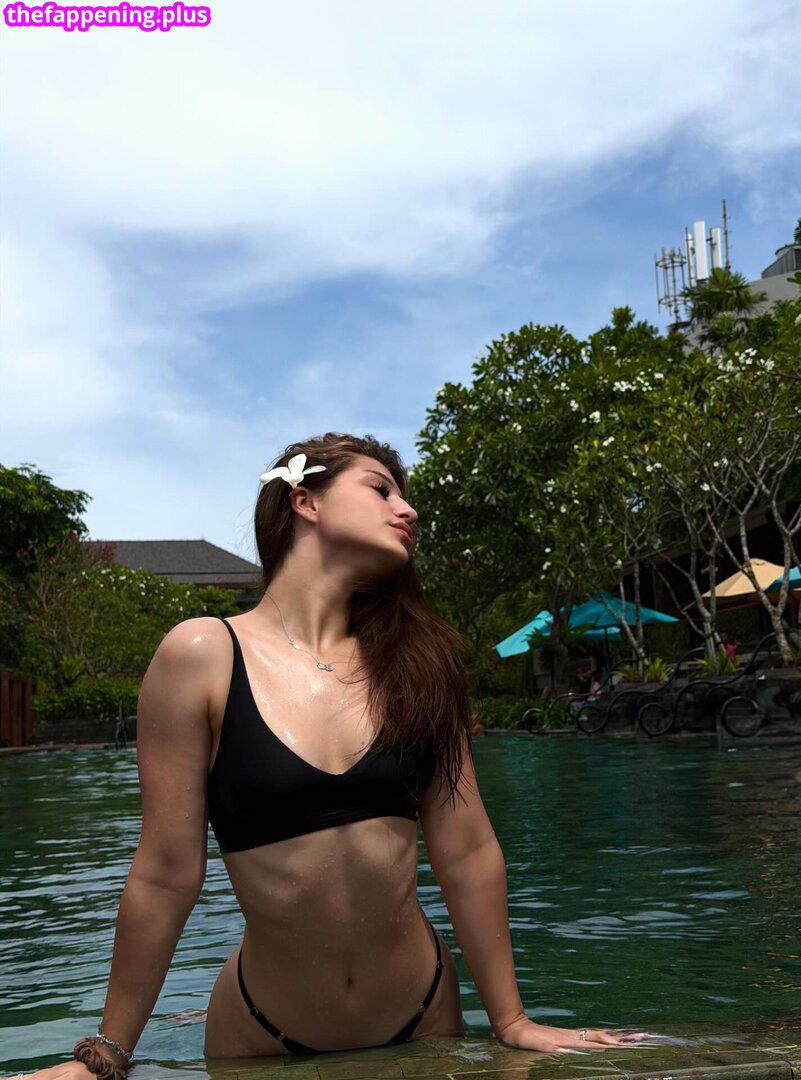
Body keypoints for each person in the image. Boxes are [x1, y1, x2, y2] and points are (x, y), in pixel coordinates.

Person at [23, 433, 651, 1078]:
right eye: (381, 489)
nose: (407, 509)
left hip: (423, 1014)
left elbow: (466, 851)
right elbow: (166, 872)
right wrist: (105, 1055)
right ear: (306, 501)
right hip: (261, 1031)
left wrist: (512, 1022)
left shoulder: (418, 664)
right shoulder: (203, 654)